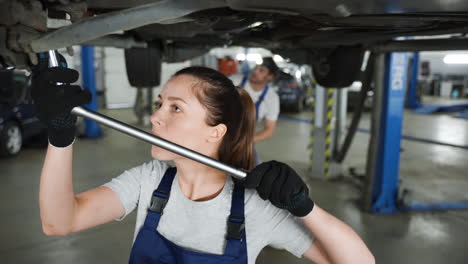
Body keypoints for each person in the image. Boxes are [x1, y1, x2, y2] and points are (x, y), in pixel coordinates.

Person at [34, 61, 374, 264]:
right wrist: (60, 139)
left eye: (175, 108)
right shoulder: (150, 180)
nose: (154, 117)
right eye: (160, 104)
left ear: (216, 132)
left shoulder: (255, 206)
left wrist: (305, 208)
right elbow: (59, 222)